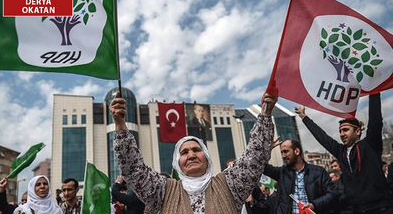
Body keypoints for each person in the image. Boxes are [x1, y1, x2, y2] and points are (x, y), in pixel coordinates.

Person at [111, 91, 277, 214]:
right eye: (184, 152)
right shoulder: (163, 191)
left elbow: (255, 156)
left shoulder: (229, 184)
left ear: (206, 157)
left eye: (196, 150)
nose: (191, 155)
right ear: (177, 162)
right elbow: (133, 169)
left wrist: (265, 113)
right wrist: (119, 125)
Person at [295, 93, 393, 213]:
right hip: (357, 210)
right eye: (340, 131)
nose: (342, 134)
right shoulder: (340, 152)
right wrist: (304, 117)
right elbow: (323, 137)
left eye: (345, 130)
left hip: (381, 209)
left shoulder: (370, 145)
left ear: (357, 131)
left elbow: (375, 120)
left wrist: (374, 91)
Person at [263, 139, 338, 214]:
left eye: (286, 151)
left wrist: (314, 205)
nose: (283, 156)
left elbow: (332, 194)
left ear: (297, 151)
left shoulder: (319, 172)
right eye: (282, 152)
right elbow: (261, 166)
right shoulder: (281, 173)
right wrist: (266, 150)